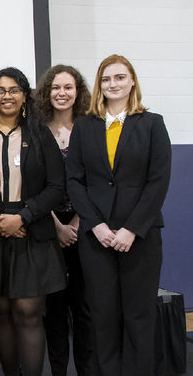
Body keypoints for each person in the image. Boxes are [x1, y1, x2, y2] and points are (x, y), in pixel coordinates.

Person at [66, 54, 171, 376]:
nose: (113, 84)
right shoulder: (84, 126)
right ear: (99, 85)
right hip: (97, 240)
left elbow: (158, 181)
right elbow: (74, 179)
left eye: (120, 78)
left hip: (140, 238)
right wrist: (96, 225)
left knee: (138, 317)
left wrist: (131, 229)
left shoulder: (152, 124)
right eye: (107, 79)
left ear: (132, 81)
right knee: (103, 317)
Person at [0, 67, 66, 376]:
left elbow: (57, 186)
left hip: (33, 231)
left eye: (14, 90)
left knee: (29, 312)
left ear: (25, 96)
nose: (7, 96)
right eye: (1, 90)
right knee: (2, 313)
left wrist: (23, 216)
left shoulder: (40, 132)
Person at [35, 65, 93, 375]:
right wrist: (56, 224)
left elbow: (97, 182)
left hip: (85, 226)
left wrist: (78, 222)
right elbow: (34, 183)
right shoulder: (37, 130)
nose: (61, 93)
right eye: (56, 87)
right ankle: (58, 370)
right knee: (54, 309)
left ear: (78, 91)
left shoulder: (90, 128)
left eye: (68, 87)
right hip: (48, 226)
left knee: (83, 309)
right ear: (47, 92)